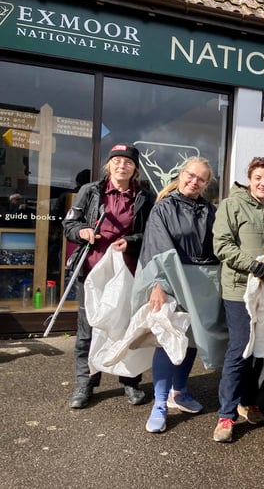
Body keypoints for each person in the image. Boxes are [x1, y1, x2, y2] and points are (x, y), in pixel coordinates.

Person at [63, 144, 154, 409]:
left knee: (126, 328)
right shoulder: (90, 192)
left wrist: (131, 240)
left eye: (127, 162)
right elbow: (69, 224)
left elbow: (150, 233)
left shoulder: (144, 196)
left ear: (135, 168)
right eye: (116, 161)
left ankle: (130, 381)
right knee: (88, 329)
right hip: (92, 271)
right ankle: (86, 382)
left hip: (127, 272)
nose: (121, 166)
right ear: (109, 165)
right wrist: (82, 232)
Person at [135, 156, 221, 433]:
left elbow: (218, 248)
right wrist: (157, 285)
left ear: (206, 184)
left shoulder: (210, 211)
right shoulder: (163, 209)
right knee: (168, 340)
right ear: (181, 174)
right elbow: (154, 248)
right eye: (190, 175)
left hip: (201, 284)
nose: (194, 182)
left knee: (192, 340)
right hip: (171, 281)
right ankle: (159, 403)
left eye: (201, 179)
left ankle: (179, 391)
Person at [212, 156, 264, 443]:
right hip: (238, 288)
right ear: (249, 179)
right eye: (258, 177)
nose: (263, 183)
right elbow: (222, 245)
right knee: (240, 348)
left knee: (262, 348)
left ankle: (249, 400)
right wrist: (254, 265)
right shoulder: (232, 205)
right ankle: (226, 415)